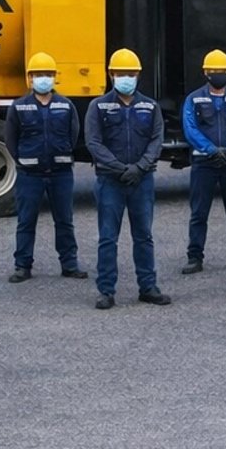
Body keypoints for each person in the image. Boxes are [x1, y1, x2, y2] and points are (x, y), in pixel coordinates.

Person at [84, 47, 168, 310]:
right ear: (111, 75)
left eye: (131, 73)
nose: (126, 78)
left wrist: (140, 167)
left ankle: (148, 287)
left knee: (144, 236)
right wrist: (120, 167)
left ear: (139, 75)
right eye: (121, 73)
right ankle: (106, 291)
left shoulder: (150, 106)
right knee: (108, 237)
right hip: (111, 181)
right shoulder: (98, 106)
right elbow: (93, 142)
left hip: (141, 181)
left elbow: (157, 140)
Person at [5, 50, 86, 283]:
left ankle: (69, 264)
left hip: (61, 173)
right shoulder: (19, 107)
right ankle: (22, 266)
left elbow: (73, 135)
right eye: (38, 74)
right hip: (30, 174)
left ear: (55, 77)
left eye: (48, 74)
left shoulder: (66, 105)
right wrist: (23, 160)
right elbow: (11, 139)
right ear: (30, 78)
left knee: (64, 220)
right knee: (26, 220)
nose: (43, 78)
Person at [180, 48, 226, 276]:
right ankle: (195, 258)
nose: (218, 74)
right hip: (204, 162)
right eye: (213, 71)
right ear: (205, 73)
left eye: (221, 71)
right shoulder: (194, 99)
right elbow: (190, 128)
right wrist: (211, 149)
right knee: (199, 213)